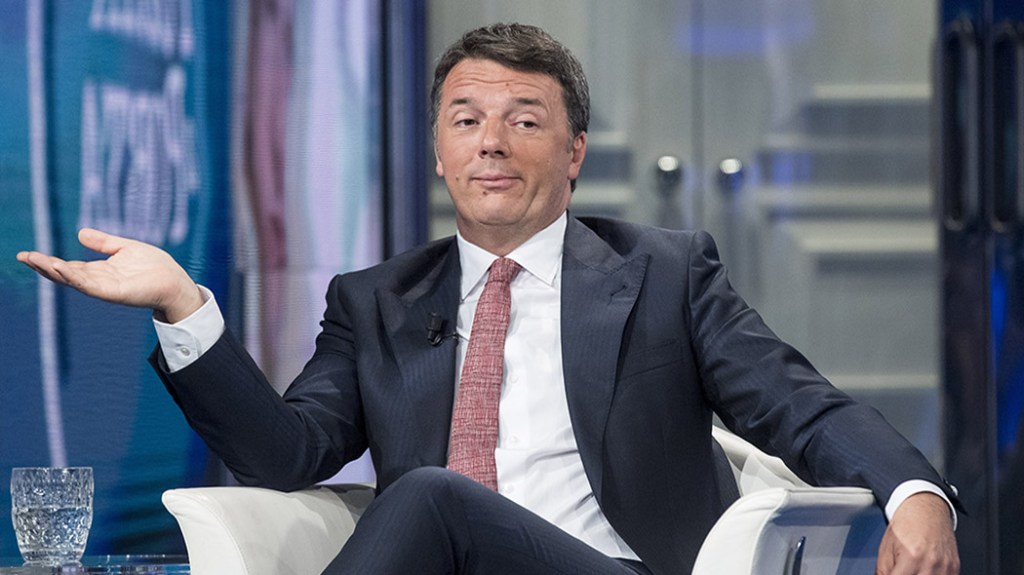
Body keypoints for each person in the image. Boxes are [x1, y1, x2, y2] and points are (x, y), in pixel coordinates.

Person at [18, 23, 959, 575]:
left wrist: (916, 494)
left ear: (575, 152)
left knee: (434, 496)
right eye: (466, 120)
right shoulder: (375, 299)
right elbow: (285, 452)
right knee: (432, 503)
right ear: (440, 153)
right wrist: (183, 303)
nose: (492, 142)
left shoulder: (665, 274)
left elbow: (799, 404)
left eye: (524, 120)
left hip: (611, 565)